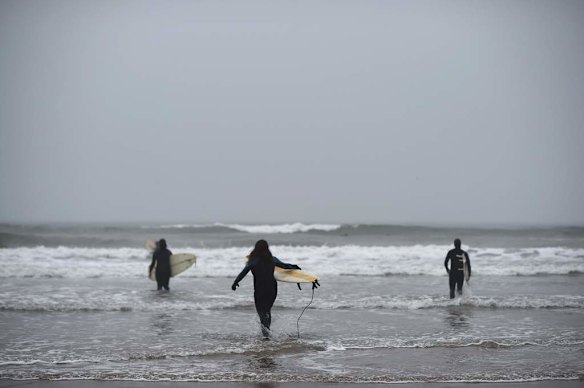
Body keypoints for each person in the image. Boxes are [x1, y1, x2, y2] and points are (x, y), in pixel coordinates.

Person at [231, 239, 301, 337]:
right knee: (267, 311)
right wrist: (295, 267)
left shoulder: (253, 261)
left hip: (260, 289)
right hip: (272, 288)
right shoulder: (272, 259)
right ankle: (267, 333)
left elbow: (244, 272)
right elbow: (285, 266)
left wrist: (235, 282)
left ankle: (266, 334)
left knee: (261, 312)